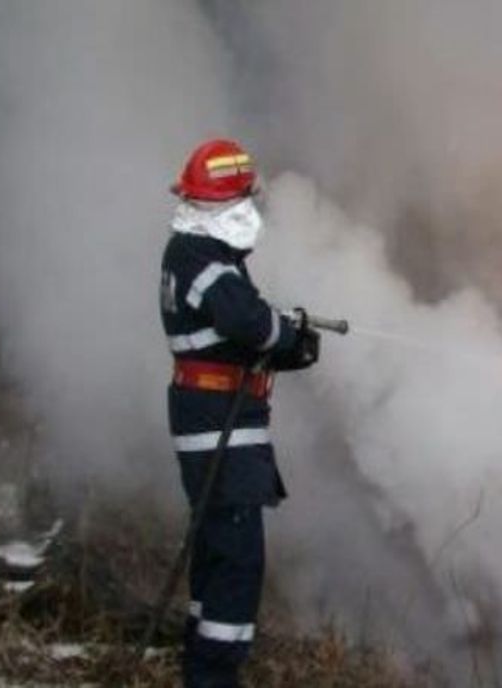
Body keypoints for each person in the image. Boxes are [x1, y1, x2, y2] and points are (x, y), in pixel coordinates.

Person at [159, 138, 319, 686]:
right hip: (217, 425)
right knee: (238, 559)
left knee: (216, 554)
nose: (252, 209)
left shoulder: (202, 253)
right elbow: (248, 323)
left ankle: (203, 668)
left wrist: (285, 338)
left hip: (218, 416)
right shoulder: (200, 257)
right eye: (245, 199)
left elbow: (239, 326)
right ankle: (213, 677)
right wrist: (289, 336)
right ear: (227, 205)